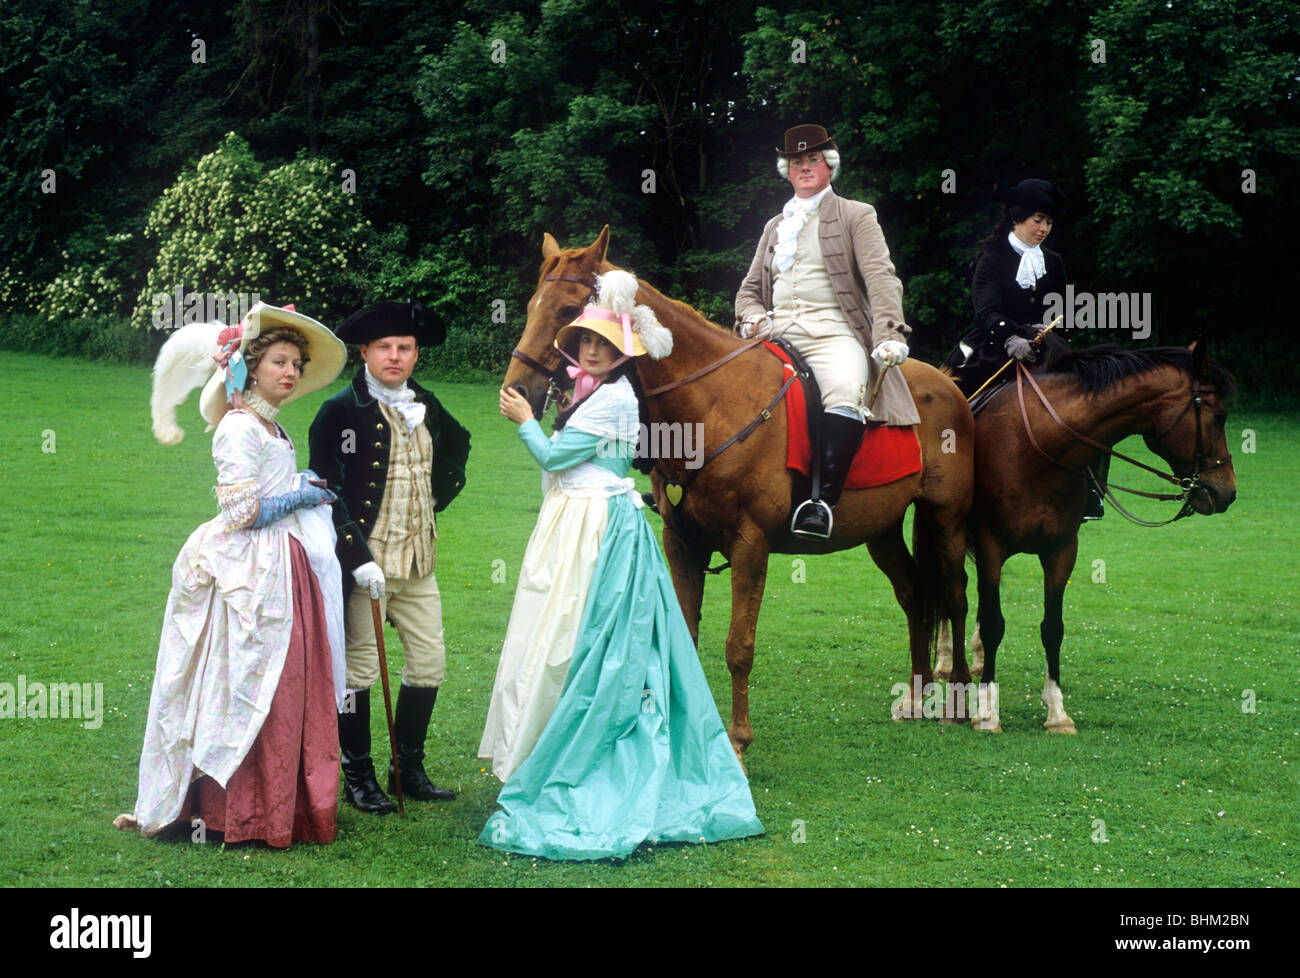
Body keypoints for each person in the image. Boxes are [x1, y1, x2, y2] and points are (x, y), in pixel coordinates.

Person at [480, 270, 764, 861]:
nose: (592, 352)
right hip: (576, 519)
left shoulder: (614, 399)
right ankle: (549, 741)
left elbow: (557, 455)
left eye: (604, 347)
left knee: (588, 639)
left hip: (597, 524)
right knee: (564, 634)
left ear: (621, 356)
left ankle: (813, 496)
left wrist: (525, 422)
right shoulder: (587, 392)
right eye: (585, 343)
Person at [118, 302, 348, 847]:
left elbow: (269, 489)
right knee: (247, 676)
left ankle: (279, 805)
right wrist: (300, 494)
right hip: (249, 568)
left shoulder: (270, 426)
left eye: (296, 364)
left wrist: (299, 484)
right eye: (279, 362)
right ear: (249, 369)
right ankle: (231, 810)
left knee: (285, 680)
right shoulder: (237, 428)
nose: (290, 373)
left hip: (283, 563)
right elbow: (241, 513)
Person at [308, 301, 471, 814]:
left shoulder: (427, 403)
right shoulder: (341, 411)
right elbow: (324, 488)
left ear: (417, 353)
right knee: (360, 672)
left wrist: (431, 506)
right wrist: (357, 555)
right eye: (384, 348)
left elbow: (455, 451)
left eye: (404, 348)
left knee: (429, 664)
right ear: (365, 353)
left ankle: (409, 769)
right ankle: (358, 776)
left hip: (419, 563)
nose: (395, 356)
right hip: (367, 568)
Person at [736, 123, 920, 540]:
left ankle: (820, 502)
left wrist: (889, 332)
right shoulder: (773, 226)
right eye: (796, 161)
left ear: (828, 166)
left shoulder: (857, 214)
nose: (804, 167)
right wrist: (750, 317)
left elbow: (881, 276)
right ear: (786, 170)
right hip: (775, 333)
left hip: (833, 332)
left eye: (812, 159)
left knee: (843, 389)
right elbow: (748, 291)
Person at [943, 178, 1104, 518]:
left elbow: (1064, 311)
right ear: (1017, 219)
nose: (1043, 228)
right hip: (996, 347)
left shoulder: (1054, 261)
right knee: (960, 406)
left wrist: (1054, 330)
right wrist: (1012, 337)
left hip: (1049, 348)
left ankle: (1091, 491)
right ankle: (954, 481)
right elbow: (987, 311)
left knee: (1094, 402)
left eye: (1048, 222)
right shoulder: (992, 257)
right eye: (1037, 221)